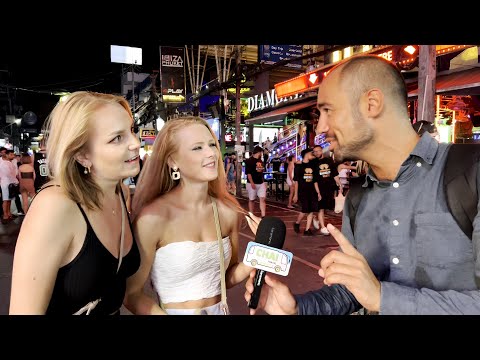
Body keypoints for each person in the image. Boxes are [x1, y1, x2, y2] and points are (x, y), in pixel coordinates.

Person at [244, 54, 480, 315]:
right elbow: (353, 291)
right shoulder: (357, 198)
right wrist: (299, 308)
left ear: (372, 103)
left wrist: (382, 297)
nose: (320, 128)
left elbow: (372, 293)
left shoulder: (471, 173)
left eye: (328, 110)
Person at [9, 91, 141, 315]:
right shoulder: (55, 206)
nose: (136, 143)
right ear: (82, 155)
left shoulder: (120, 193)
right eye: (117, 138)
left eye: (131, 130)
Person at [124, 116, 253, 315]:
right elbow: (131, 294)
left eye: (212, 144)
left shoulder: (227, 211)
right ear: (173, 160)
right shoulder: (152, 218)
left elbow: (225, 279)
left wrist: (259, 255)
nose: (211, 153)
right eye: (197, 148)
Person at [245, 145, 267, 218]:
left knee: (262, 198)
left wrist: (263, 182)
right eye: (261, 152)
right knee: (252, 199)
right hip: (252, 183)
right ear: (258, 152)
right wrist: (251, 183)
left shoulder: (260, 161)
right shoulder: (249, 161)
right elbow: (248, 173)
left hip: (260, 182)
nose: (261, 154)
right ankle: (251, 214)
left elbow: (261, 172)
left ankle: (263, 215)